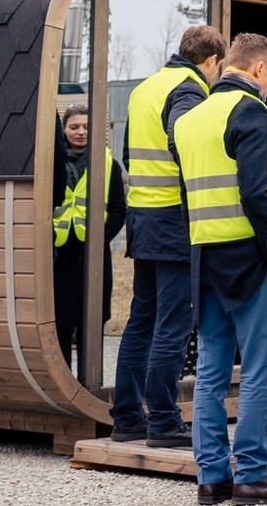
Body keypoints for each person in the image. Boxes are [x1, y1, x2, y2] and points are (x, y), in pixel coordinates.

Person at [174, 32, 267, 506]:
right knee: (256, 367)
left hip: (204, 255)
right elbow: (254, 192)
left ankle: (211, 476)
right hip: (250, 258)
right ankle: (251, 473)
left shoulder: (189, 119)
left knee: (211, 369)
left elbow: (188, 197)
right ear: (257, 69)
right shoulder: (251, 111)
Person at [110, 25, 226, 449]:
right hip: (175, 220)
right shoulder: (190, 89)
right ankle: (162, 420)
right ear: (211, 60)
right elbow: (187, 142)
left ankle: (127, 417)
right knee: (172, 324)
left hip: (143, 217)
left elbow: (128, 154)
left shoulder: (145, 88)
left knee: (141, 320)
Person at [51, 104, 127, 374]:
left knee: (91, 327)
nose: (81, 132)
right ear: (63, 130)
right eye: (74, 127)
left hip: (92, 258)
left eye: (86, 127)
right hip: (58, 257)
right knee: (58, 328)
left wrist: (102, 238)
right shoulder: (51, 163)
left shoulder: (108, 164)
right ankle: (62, 388)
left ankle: (90, 385)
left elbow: (118, 210)